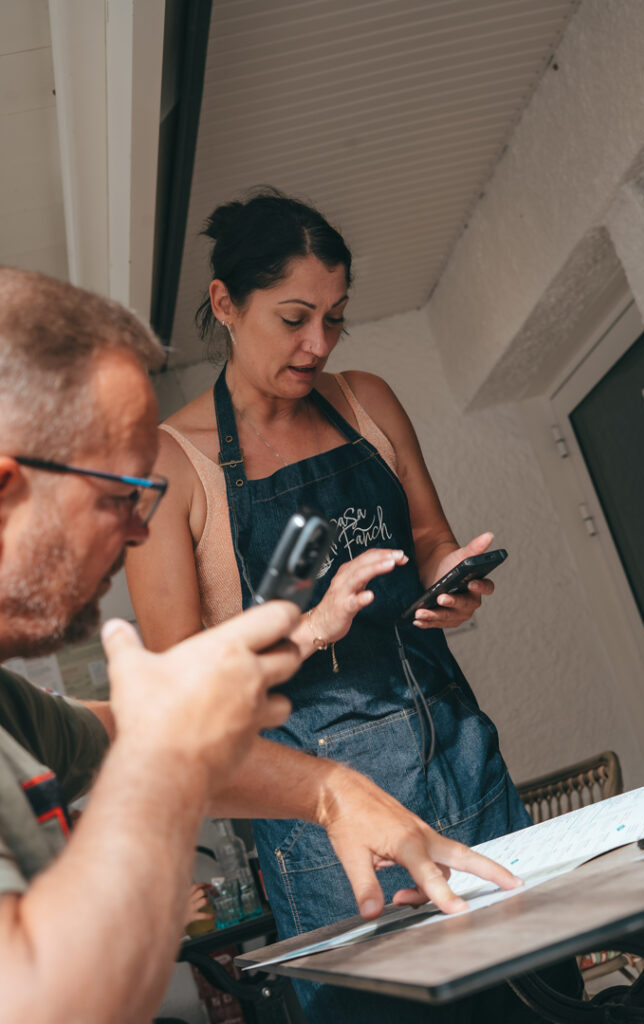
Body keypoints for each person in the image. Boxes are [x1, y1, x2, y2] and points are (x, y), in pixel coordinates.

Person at [0, 266, 522, 1023]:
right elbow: (44, 1002)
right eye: (120, 495)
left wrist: (330, 793)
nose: (141, 531)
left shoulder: (13, 713)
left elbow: (127, 740)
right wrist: (170, 754)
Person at [124, 191, 576, 1022]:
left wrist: (452, 577)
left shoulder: (365, 401)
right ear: (225, 303)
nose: (318, 344)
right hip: (327, 823)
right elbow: (180, 697)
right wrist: (310, 628)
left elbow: (429, 535)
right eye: (293, 318)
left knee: (541, 1004)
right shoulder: (170, 465)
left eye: (334, 318)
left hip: (462, 761)